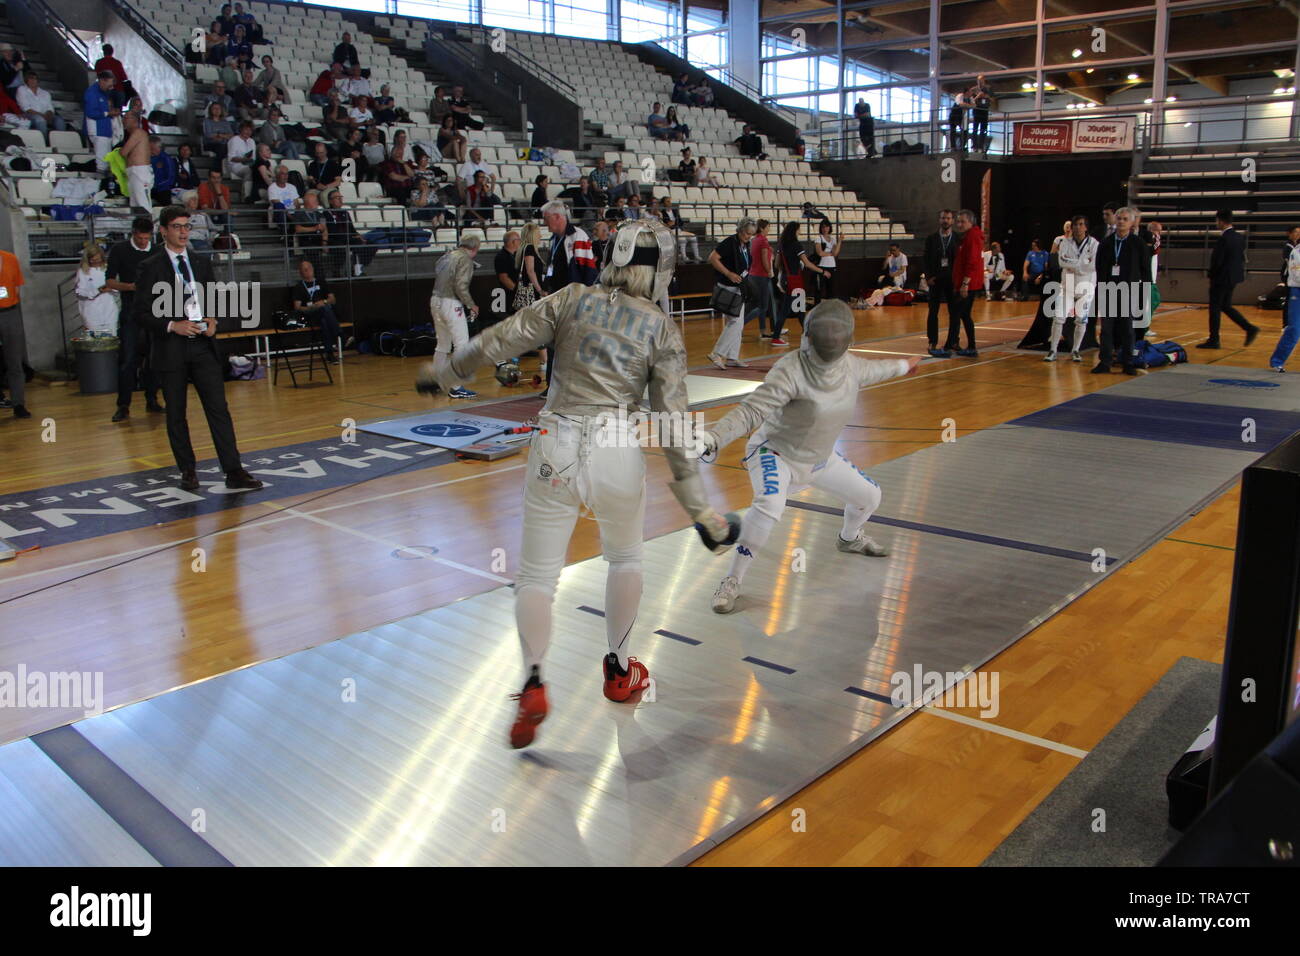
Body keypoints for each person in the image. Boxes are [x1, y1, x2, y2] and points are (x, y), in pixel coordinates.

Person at [415, 217, 737, 749]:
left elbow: (501, 338)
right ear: (660, 269)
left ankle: (535, 680)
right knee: (625, 558)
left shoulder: (571, 297)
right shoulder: (660, 327)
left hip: (555, 441)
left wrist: (447, 374)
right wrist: (700, 510)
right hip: (616, 445)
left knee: (537, 577)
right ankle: (619, 669)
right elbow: (676, 428)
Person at [700, 300, 921, 614]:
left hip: (820, 459)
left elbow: (877, 369)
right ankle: (732, 580)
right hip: (775, 454)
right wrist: (715, 436)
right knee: (769, 507)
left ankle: (849, 538)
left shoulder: (851, 367)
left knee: (870, 496)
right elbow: (752, 410)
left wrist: (904, 365)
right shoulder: (790, 370)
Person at [133, 205, 263, 491]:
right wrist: (171, 324)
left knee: (219, 409)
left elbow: (213, 297)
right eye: (177, 226)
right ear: (164, 231)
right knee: (176, 413)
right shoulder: (150, 266)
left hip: (203, 345)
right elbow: (140, 313)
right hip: (171, 347)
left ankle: (233, 470)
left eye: (187, 226)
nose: (183, 232)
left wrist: (213, 318)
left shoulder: (201, 262)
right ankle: (188, 470)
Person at [1092, 205, 1149, 375]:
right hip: (1108, 290)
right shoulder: (1107, 243)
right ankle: (1105, 362)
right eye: (1119, 219)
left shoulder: (1138, 243)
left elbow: (1145, 269)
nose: (1121, 222)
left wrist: (1143, 292)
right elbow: (1099, 267)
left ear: (1132, 222)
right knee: (1106, 329)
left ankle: (1128, 362)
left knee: (1127, 329)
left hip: (1129, 291)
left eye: (1125, 219)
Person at [429, 236, 481, 399]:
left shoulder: (446, 255)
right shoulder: (465, 259)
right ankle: (456, 386)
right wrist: (471, 304)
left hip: (435, 300)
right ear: (475, 248)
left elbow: (438, 270)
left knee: (443, 344)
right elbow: (461, 285)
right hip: (451, 303)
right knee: (461, 345)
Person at [1200, 208, 1258, 350]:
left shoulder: (1224, 239)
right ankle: (1249, 328)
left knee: (1214, 309)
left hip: (1221, 278)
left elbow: (1217, 261)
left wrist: (1211, 275)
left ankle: (1214, 340)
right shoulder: (1239, 237)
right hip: (1233, 278)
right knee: (1225, 306)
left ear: (1220, 221)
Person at [707, 217, 760, 370]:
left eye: (751, 234)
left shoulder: (745, 244)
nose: (748, 237)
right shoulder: (730, 242)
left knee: (738, 322)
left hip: (739, 286)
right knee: (735, 322)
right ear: (740, 230)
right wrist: (729, 273)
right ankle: (717, 353)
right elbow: (713, 258)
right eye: (746, 233)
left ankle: (732, 357)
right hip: (728, 286)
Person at [1047, 215, 1098, 363]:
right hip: (1067, 285)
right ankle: (1053, 350)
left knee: (1081, 320)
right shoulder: (1065, 242)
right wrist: (1082, 264)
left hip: (1086, 286)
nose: (1077, 227)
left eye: (1081, 224)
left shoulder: (1094, 243)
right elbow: (1062, 261)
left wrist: (1075, 265)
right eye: (1075, 224)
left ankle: (1075, 350)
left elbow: (1093, 265)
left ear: (1086, 227)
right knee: (1058, 317)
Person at [773, 220, 823, 341]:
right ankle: (776, 337)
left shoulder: (781, 245)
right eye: (799, 229)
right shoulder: (796, 245)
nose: (800, 231)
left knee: (799, 307)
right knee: (789, 309)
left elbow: (776, 264)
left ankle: (807, 332)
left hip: (785, 278)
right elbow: (807, 263)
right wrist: (821, 271)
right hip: (795, 279)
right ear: (795, 230)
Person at [922, 209, 959, 357]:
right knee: (933, 311)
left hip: (952, 279)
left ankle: (953, 340)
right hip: (935, 279)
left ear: (952, 221)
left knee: (954, 312)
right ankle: (932, 340)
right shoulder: (931, 238)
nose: (946, 221)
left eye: (948, 218)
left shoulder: (957, 238)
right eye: (943, 218)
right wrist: (928, 277)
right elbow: (925, 259)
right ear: (939, 220)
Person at [291, 257, 341, 363]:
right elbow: (297, 307)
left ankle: (330, 354)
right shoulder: (299, 287)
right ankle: (341, 335)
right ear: (300, 272)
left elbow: (332, 299)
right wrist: (311, 307)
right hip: (310, 314)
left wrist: (324, 302)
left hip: (324, 314)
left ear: (313, 269)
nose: (307, 270)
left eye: (309, 268)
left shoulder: (321, 281)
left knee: (324, 317)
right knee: (324, 309)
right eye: (304, 269)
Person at [949, 209, 983, 356]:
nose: (959, 224)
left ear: (971, 222)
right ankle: (969, 346)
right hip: (966, 283)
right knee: (963, 314)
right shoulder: (968, 236)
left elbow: (972, 261)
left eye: (963, 221)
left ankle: (953, 346)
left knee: (959, 313)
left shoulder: (973, 236)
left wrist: (965, 283)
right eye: (958, 221)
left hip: (969, 284)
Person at [0, 246, 29, 418]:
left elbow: (17, 288)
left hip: (10, 313)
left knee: (15, 361)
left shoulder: (10, 259)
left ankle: (19, 403)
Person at [323, 189, 375, 277]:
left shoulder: (345, 213)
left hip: (348, 238)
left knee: (369, 244)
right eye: (337, 197)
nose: (340, 199)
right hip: (335, 239)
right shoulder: (325, 213)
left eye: (341, 197)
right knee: (341, 248)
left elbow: (352, 229)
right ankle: (337, 272)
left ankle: (357, 269)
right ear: (330, 201)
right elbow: (328, 230)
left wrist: (358, 236)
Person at [1269, 235, 1300, 372]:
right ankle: (1277, 361)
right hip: (1297, 292)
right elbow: (1298, 275)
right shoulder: (1296, 252)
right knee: (1294, 329)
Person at [75, 242, 118, 335]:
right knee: (95, 343)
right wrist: (98, 291)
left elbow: (117, 286)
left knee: (111, 342)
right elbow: (79, 292)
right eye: (93, 260)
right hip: (92, 314)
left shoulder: (108, 268)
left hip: (109, 312)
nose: (96, 262)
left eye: (98, 259)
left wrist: (111, 288)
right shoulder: (82, 272)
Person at [749, 219, 779, 344]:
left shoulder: (754, 240)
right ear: (762, 228)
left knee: (760, 305)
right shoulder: (763, 241)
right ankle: (742, 324)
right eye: (768, 227)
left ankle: (763, 330)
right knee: (763, 307)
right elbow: (764, 259)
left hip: (753, 275)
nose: (769, 229)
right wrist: (769, 272)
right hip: (762, 276)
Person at [84, 72, 120, 172]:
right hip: (98, 131)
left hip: (106, 131)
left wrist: (111, 111)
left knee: (107, 163)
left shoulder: (104, 93)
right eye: (110, 84)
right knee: (102, 165)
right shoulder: (92, 92)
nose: (111, 87)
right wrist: (108, 113)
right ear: (102, 80)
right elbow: (90, 112)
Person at [120, 111, 151, 214]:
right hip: (133, 171)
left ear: (134, 120)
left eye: (126, 118)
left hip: (140, 171)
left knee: (142, 203)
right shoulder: (132, 134)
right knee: (134, 204)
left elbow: (123, 152)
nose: (123, 121)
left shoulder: (139, 132)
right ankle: (140, 227)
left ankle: (149, 227)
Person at [291, 190, 328, 270]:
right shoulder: (299, 214)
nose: (317, 203)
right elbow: (298, 229)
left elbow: (324, 229)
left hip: (319, 240)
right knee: (313, 254)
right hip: (307, 240)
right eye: (315, 201)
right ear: (308, 203)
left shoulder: (320, 215)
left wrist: (325, 242)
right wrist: (314, 228)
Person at [814, 220, 842, 301]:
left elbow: (835, 253)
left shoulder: (833, 239)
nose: (825, 229)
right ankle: (818, 306)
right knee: (819, 288)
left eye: (826, 227)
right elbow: (820, 253)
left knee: (831, 289)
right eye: (823, 227)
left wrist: (840, 241)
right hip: (821, 265)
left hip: (832, 266)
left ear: (829, 228)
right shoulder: (818, 238)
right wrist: (830, 253)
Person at [968, 75, 992, 152]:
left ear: (984, 81)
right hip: (977, 111)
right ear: (977, 81)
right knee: (975, 129)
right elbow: (971, 101)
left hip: (984, 111)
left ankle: (981, 146)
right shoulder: (973, 90)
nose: (980, 83)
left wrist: (987, 97)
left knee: (983, 130)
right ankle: (974, 146)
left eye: (981, 81)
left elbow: (992, 99)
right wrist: (978, 96)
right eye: (979, 81)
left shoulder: (988, 88)